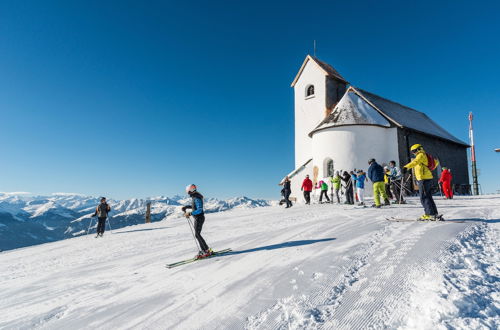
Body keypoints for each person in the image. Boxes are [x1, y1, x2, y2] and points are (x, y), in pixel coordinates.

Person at [403, 144, 440, 220]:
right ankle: (434, 213)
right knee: (428, 196)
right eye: (412, 152)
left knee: (423, 197)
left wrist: (406, 167)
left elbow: (415, 162)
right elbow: (436, 163)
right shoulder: (425, 155)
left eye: (413, 151)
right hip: (427, 178)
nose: (413, 153)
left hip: (423, 179)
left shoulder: (420, 155)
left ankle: (429, 214)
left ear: (418, 149)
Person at [182, 184, 212, 258]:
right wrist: (186, 207)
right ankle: (206, 250)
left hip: (199, 218)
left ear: (189, 191)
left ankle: (206, 251)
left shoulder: (196, 198)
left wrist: (190, 213)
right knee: (197, 234)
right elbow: (194, 207)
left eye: (188, 191)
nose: (187, 193)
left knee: (197, 234)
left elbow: (199, 210)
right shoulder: (195, 197)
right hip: (197, 218)